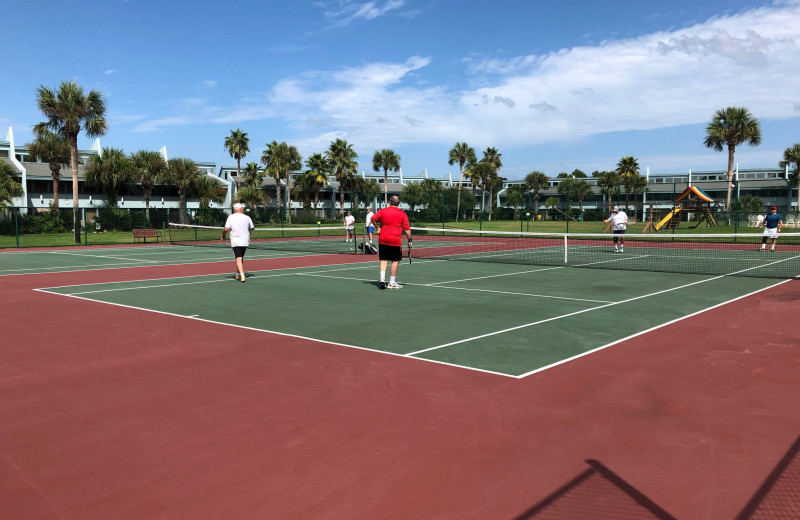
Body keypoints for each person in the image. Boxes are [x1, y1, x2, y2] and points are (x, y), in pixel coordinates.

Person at [370, 195, 412, 289]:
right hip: (395, 241)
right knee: (395, 261)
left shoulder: (383, 211)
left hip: (383, 239)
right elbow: (407, 230)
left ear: (390, 202)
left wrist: (377, 228)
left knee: (384, 260)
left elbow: (373, 219)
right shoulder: (402, 214)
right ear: (398, 203)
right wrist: (410, 240)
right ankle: (392, 282)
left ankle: (382, 279)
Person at [221, 202, 254, 282]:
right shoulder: (247, 217)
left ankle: (242, 275)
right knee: (240, 258)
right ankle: (237, 273)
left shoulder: (231, 217)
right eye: (242, 208)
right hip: (245, 241)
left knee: (239, 258)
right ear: (240, 209)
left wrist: (223, 235)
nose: (243, 209)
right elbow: (252, 228)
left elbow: (226, 229)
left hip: (236, 241)